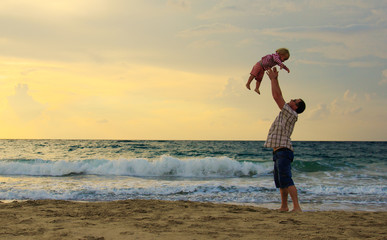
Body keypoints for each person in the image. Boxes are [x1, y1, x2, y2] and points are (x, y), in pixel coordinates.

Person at [264, 67, 305, 212]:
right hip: (278, 151)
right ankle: (284, 206)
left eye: (294, 100)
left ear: (296, 106)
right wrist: (275, 79)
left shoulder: (291, 113)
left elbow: (277, 96)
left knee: (286, 179)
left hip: (284, 151)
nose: (291, 100)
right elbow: (278, 95)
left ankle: (297, 207)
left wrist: (274, 79)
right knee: (281, 182)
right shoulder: (287, 112)